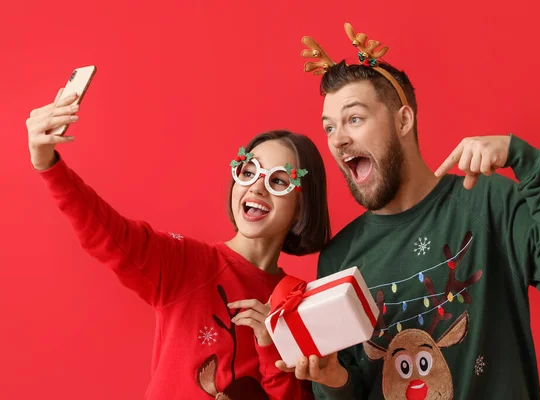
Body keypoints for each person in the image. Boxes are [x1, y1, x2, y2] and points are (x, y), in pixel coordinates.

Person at [279, 23, 540, 399]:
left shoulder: (486, 202)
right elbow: (354, 387)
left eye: (354, 119)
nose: (338, 139)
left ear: (403, 120)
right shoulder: (338, 258)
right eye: (329, 127)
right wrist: (333, 382)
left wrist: (523, 158)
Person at [26, 88, 331, 399]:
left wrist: (268, 344)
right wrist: (48, 165)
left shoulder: (298, 303)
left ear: (302, 204)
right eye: (248, 171)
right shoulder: (189, 264)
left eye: (278, 180)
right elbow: (107, 233)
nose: (256, 187)